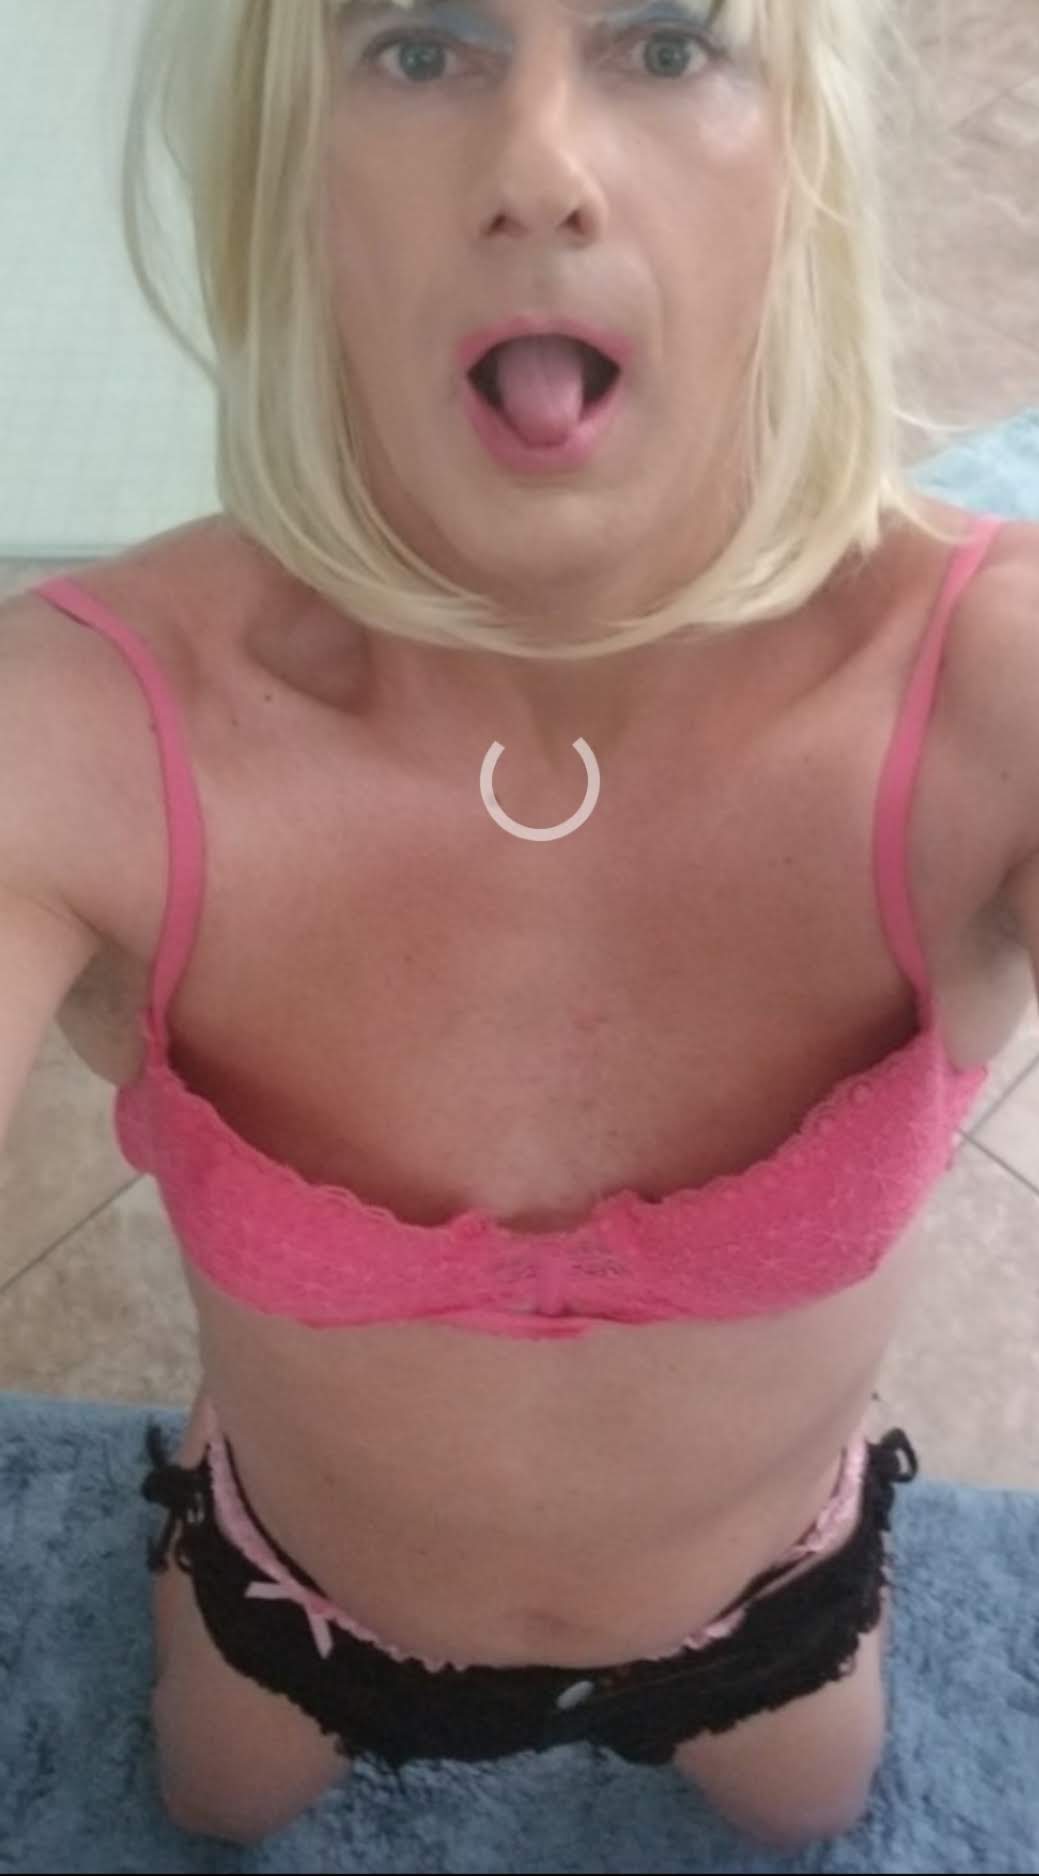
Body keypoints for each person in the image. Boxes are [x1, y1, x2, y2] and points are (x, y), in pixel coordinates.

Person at [8, 0, 1037, 1852]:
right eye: (422, 48)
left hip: (768, 1610)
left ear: (799, 158)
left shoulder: (989, 693)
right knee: (211, 1804)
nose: (542, 168)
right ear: (290, 168)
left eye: (669, 43)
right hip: (290, 1605)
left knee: (809, 1812)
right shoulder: (78, 733)